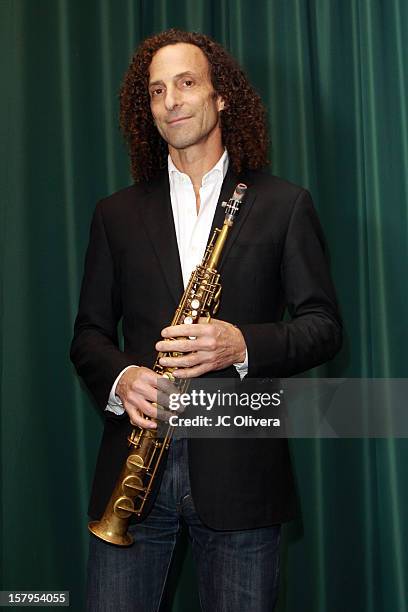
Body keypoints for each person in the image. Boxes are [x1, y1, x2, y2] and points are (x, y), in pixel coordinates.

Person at [70, 28, 342, 612]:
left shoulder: (283, 204)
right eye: (157, 90)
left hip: (243, 467)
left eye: (187, 83)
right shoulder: (115, 214)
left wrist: (239, 344)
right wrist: (121, 379)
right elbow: (88, 335)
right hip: (133, 476)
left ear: (222, 99)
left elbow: (323, 325)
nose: (171, 100)